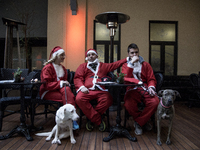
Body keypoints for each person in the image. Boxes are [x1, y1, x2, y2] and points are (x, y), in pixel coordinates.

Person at [74, 48, 127, 132]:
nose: (91, 56)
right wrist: (81, 87)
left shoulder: (103, 66)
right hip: (87, 90)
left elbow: (115, 65)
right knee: (79, 99)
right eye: (89, 55)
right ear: (86, 58)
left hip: (101, 90)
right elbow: (77, 78)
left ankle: (91, 119)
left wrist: (126, 59)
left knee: (108, 99)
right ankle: (98, 120)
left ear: (97, 55)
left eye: (93, 54)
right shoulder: (82, 66)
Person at [121, 43, 159, 135]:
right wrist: (131, 64)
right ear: (128, 54)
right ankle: (143, 122)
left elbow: (151, 78)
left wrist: (151, 87)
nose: (134, 55)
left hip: (145, 88)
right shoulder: (125, 65)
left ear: (139, 53)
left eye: (136, 53)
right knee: (128, 105)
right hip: (132, 89)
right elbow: (126, 78)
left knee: (155, 102)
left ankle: (139, 123)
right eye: (132, 53)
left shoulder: (146, 65)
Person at [40, 46, 79, 130]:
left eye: (64, 55)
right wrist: (62, 83)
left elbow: (63, 82)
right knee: (69, 96)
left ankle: (66, 119)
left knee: (67, 92)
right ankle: (71, 120)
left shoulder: (63, 68)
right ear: (56, 56)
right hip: (47, 91)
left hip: (59, 91)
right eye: (62, 55)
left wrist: (66, 83)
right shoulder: (47, 68)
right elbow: (46, 85)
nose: (64, 57)